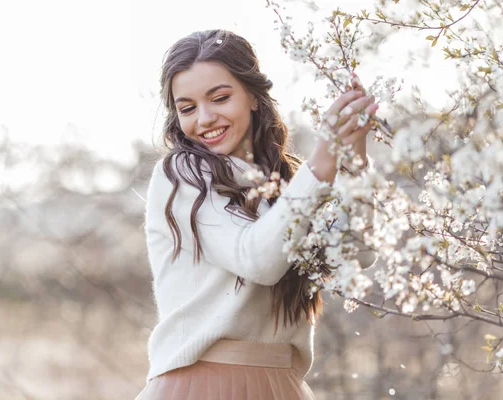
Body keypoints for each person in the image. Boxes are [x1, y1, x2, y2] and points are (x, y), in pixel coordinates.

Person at [136, 29, 379, 400]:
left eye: (220, 98)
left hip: (283, 384)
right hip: (203, 385)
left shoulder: (283, 182)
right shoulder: (182, 176)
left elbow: (356, 252)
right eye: (187, 108)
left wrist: (353, 162)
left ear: (252, 95)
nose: (204, 118)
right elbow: (258, 260)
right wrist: (321, 165)